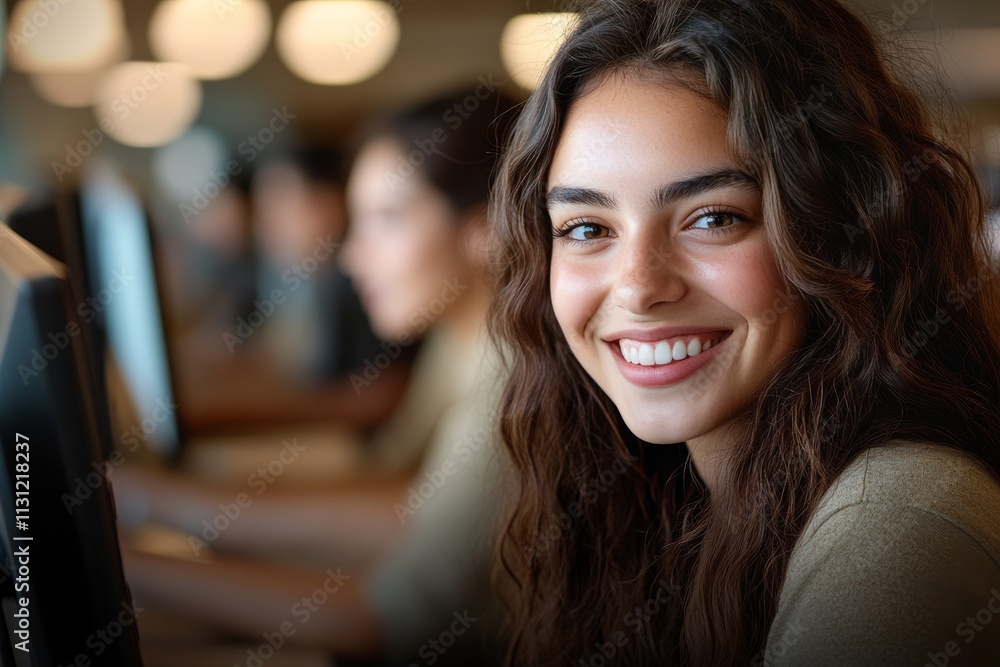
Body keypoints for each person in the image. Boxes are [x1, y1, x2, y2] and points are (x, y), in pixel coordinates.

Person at [486, 1, 1000, 665]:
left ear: (844, 235)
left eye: (714, 218)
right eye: (587, 228)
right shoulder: (666, 501)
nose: (639, 286)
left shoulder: (899, 520)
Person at [114, 85, 519, 665]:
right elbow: (416, 506)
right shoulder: (463, 343)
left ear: (487, 231)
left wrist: (124, 565)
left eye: (387, 219)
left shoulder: (517, 382)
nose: (352, 256)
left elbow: (383, 620)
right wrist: (178, 509)